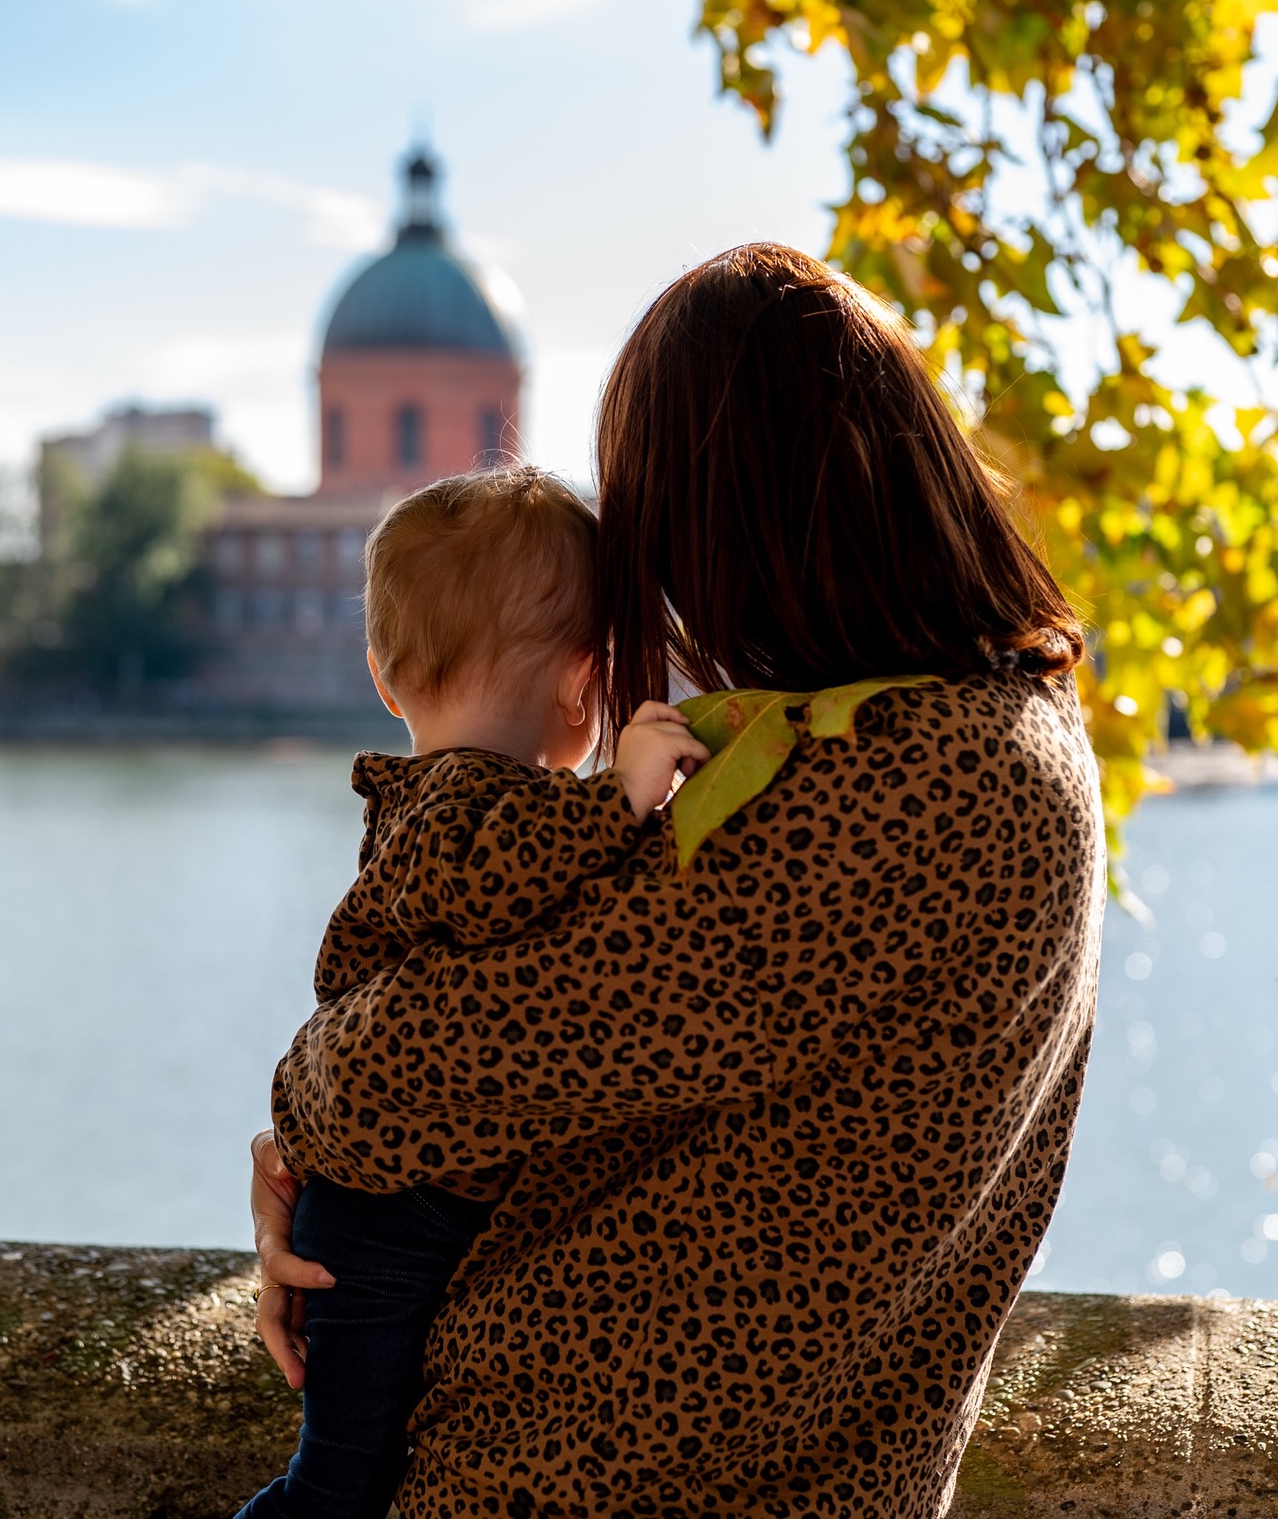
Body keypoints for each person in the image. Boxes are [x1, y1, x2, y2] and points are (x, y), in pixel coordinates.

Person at [251, 243, 1106, 1519]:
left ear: (739, 512)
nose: (650, 587)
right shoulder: (964, 736)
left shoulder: (916, 784)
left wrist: (305, 1124)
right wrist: (319, 1160)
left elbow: (414, 1073)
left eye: (654, 525)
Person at [236, 467, 710, 1519]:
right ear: (583, 684)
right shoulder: (472, 803)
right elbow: (499, 875)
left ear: (384, 679)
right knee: (337, 1487)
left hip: (379, 1208)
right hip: (384, 1227)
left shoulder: (425, 802)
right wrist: (621, 799)